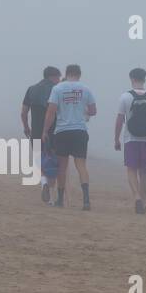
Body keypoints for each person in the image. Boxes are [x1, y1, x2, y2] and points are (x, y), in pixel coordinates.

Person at [43, 64, 97, 210]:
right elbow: (93, 111)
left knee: (62, 166)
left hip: (62, 131)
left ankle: (60, 200)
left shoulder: (58, 89)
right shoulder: (85, 89)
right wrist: (82, 110)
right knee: (81, 165)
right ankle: (86, 200)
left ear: (66, 74)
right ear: (79, 75)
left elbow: (51, 111)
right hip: (80, 130)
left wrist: (45, 130)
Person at [113, 68, 146, 215]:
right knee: (143, 171)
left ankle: (137, 197)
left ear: (131, 78)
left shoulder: (125, 97)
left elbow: (120, 120)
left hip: (130, 139)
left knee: (131, 169)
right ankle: (144, 202)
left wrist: (116, 138)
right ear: (144, 79)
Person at [21, 66, 62, 203]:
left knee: (40, 160)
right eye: (58, 77)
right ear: (53, 77)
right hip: (54, 132)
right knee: (54, 162)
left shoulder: (31, 89)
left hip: (36, 131)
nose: (59, 80)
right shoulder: (56, 90)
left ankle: (43, 182)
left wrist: (26, 127)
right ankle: (51, 197)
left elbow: (23, 112)